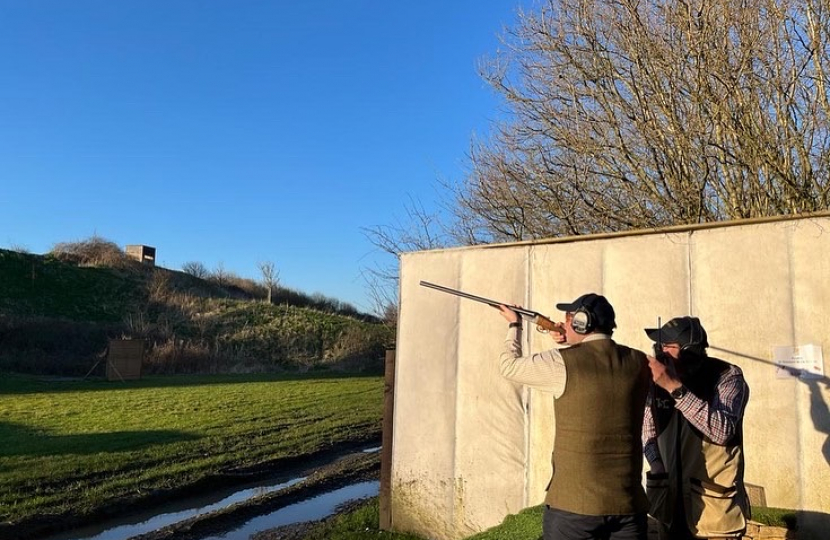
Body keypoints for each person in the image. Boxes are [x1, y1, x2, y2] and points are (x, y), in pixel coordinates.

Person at [497, 293, 650, 540]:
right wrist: (572, 341)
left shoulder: (561, 362)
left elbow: (509, 366)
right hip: (629, 505)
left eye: (569, 318)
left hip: (573, 510)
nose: (563, 322)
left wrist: (514, 324)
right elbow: (596, 359)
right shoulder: (639, 361)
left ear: (581, 322)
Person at [643, 316, 750, 540]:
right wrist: (656, 466)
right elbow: (648, 431)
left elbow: (722, 431)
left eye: (667, 346)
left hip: (713, 511)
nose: (660, 352)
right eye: (659, 346)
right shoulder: (655, 382)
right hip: (669, 505)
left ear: (690, 350)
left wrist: (675, 388)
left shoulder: (727, 376)